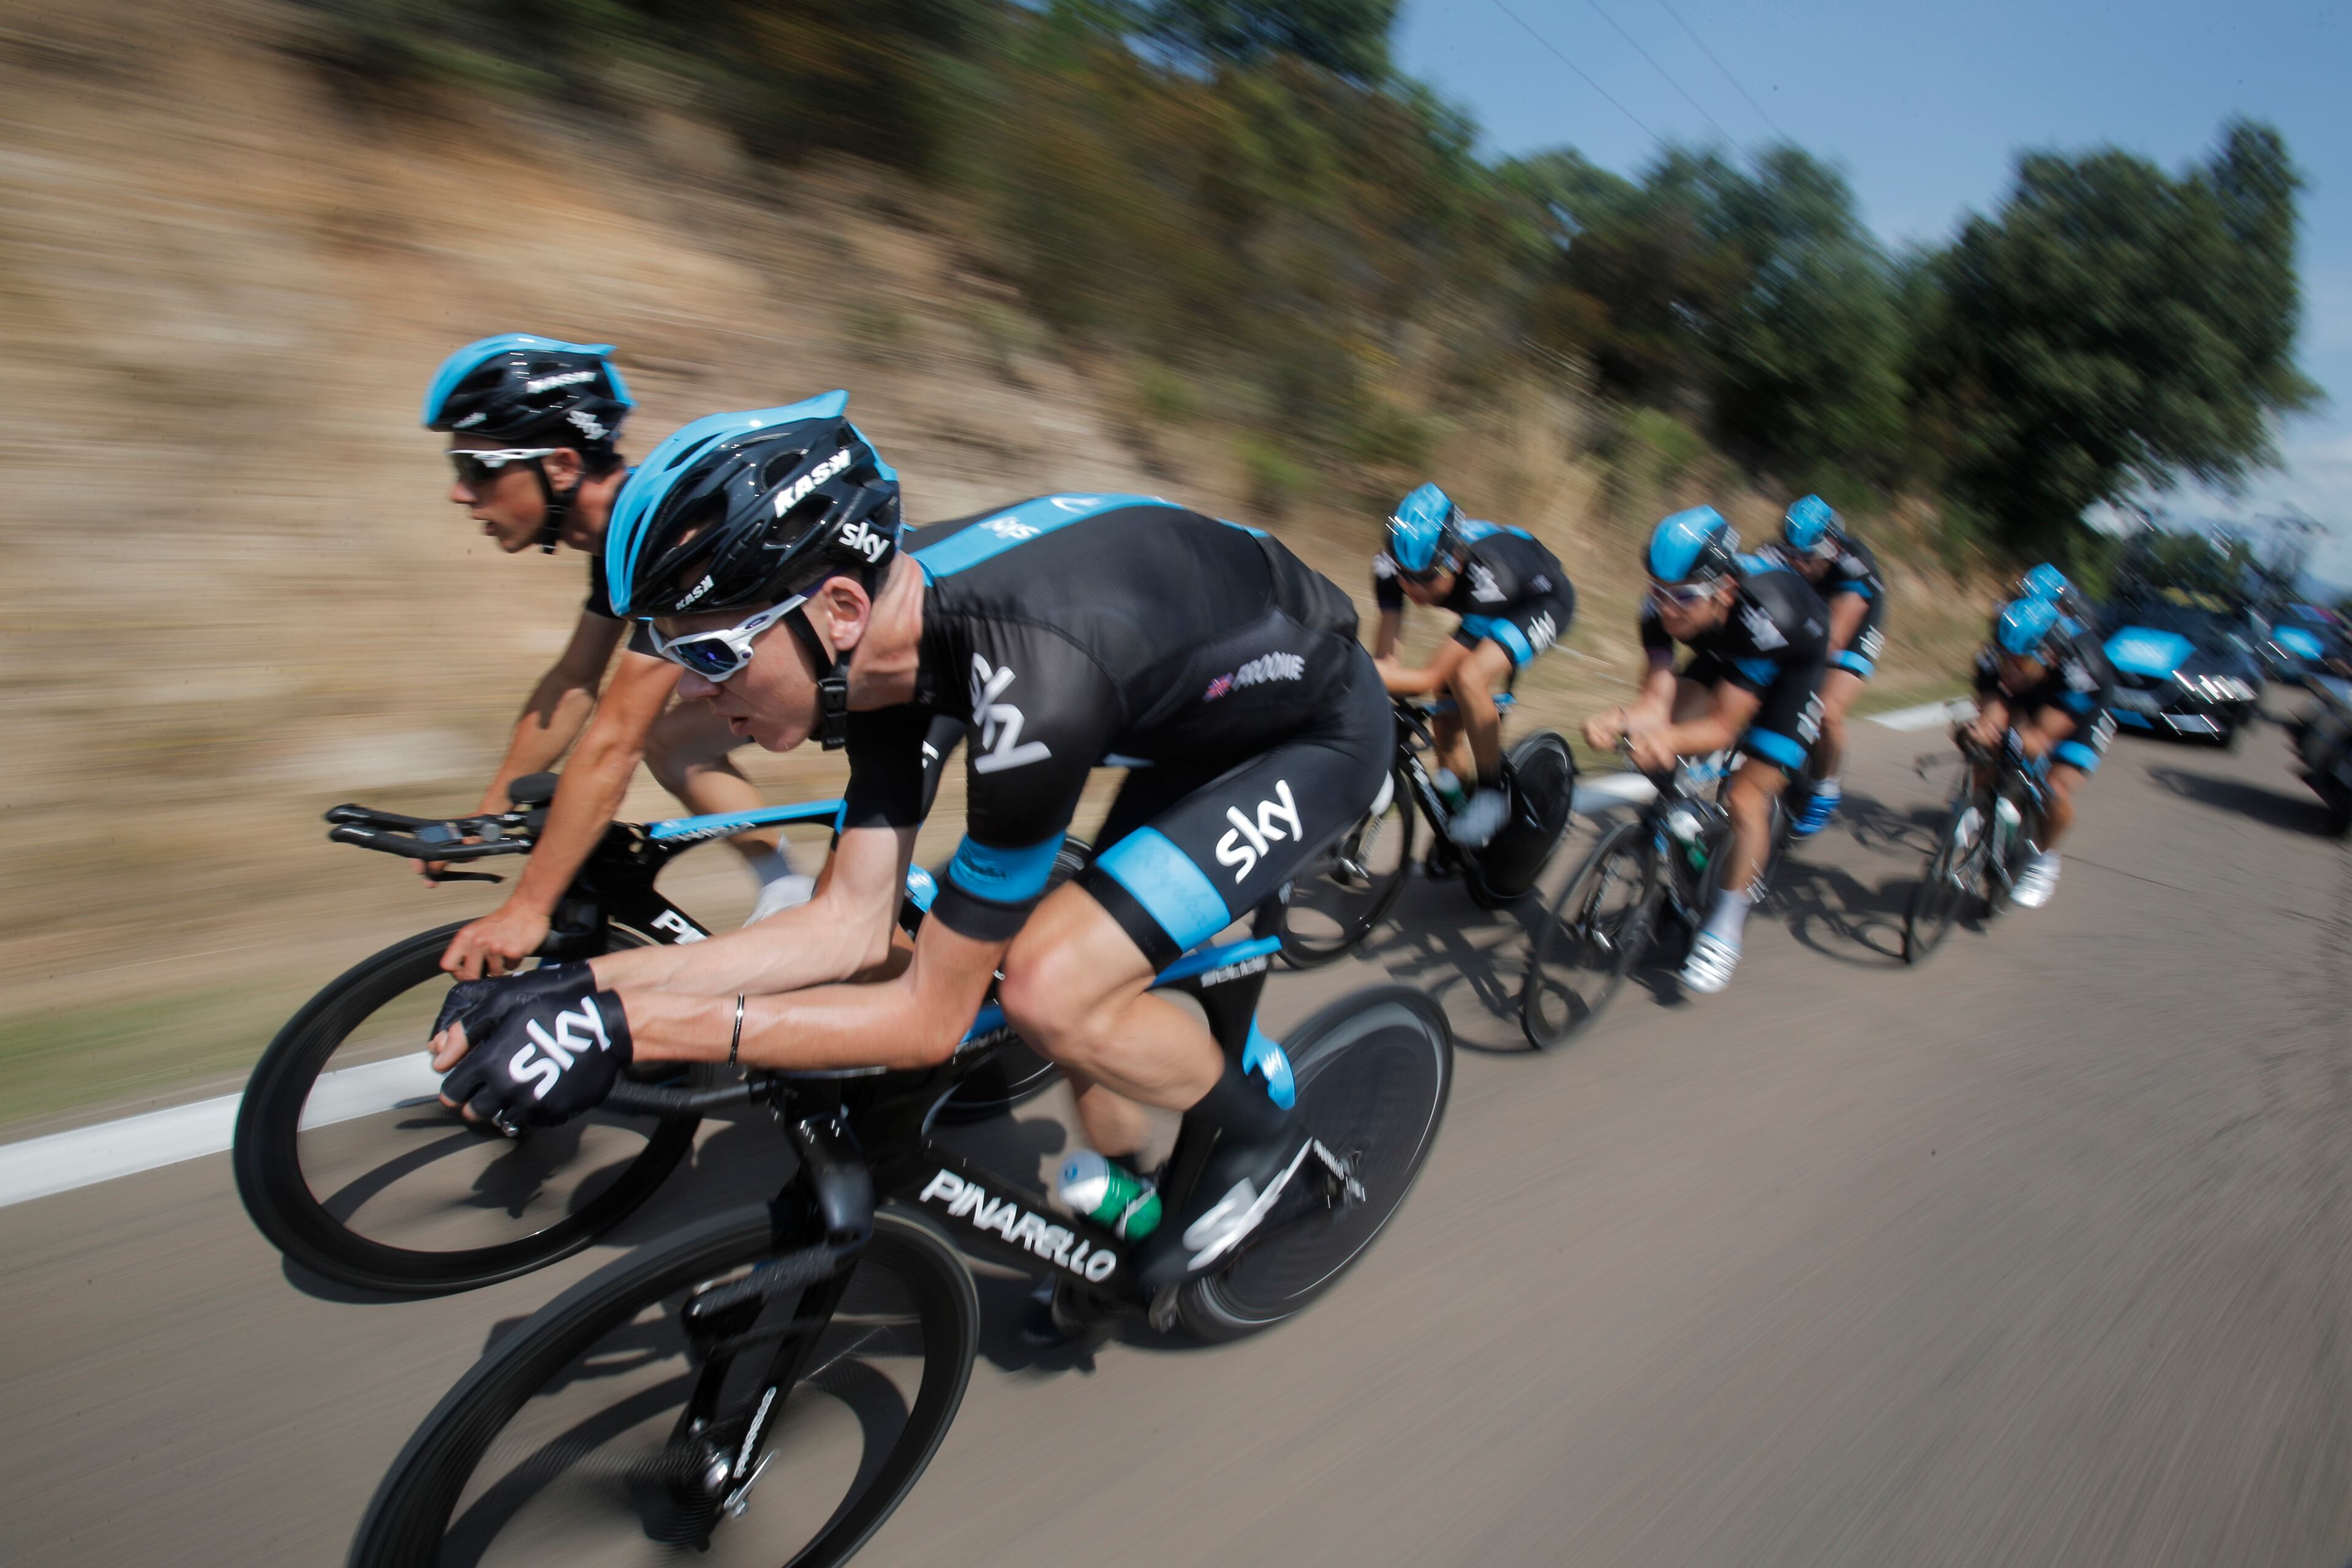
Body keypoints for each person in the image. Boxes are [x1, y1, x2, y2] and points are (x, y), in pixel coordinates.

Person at [426, 393, 1392, 1302]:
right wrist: (576, 990)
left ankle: (1264, 1143)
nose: (688, 692)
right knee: (1046, 966)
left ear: (840, 611)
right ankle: (1132, 1180)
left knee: (1051, 987)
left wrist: (631, 1033)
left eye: (712, 654)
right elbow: (843, 927)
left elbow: (929, 1019)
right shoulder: (880, 650)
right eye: (677, 654)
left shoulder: (1028, 687)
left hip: (1312, 731)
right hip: (1181, 700)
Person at [420, 335, 813, 979]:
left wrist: (529, 907)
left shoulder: (668, 533)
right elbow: (574, 681)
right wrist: (486, 815)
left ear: (563, 465)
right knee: (674, 742)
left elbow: (614, 741)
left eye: (477, 468)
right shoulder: (621, 542)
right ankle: (788, 889)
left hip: (903, 665)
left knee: (874, 950)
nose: (460, 493)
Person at [1581, 507, 1828, 994]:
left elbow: (1721, 725)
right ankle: (1691, 828)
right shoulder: (1662, 606)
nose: (1667, 610)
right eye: (1658, 592)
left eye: (1683, 598)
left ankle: (1725, 926)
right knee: (1669, 734)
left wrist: (1671, 740)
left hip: (1791, 660)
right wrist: (1619, 718)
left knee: (1745, 798)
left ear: (1725, 589)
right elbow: (1656, 704)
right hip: (1725, 647)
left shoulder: (1764, 616)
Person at [1370, 482, 1575, 847]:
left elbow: (1426, 678)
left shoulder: (1488, 576)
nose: (1414, 589)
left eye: (1426, 578)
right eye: (1405, 576)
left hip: (1540, 599)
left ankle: (1493, 793)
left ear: (1455, 560)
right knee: (1446, 724)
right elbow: (1387, 663)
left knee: (1468, 678)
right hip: (1489, 594)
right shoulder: (1390, 566)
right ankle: (1458, 810)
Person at [1962, 595, 2115, 909]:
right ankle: (1979, 808)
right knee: (1987, 743)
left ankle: (2042, 860)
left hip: (2079, 712)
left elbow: (2038, 739)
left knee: (2053, 788)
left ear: (2048, 656)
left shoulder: (2082, 671)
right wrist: (1983, 730)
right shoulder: (1995, 657)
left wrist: (2010, 736)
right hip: (2034, 692)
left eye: (2019, 662)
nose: (2008, 668)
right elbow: (1992, 712)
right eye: (2004, 657)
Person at [1759, 495, 1885, 838]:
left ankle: (1825, 786)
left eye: (1808, 557)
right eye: (1793, 555)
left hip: (1853, 626)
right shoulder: (1779, 553)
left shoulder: (1854, 565)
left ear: (1832, 548)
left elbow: (1833, 640)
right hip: (1812, 611)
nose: (1799, 564)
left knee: (1825, 711)